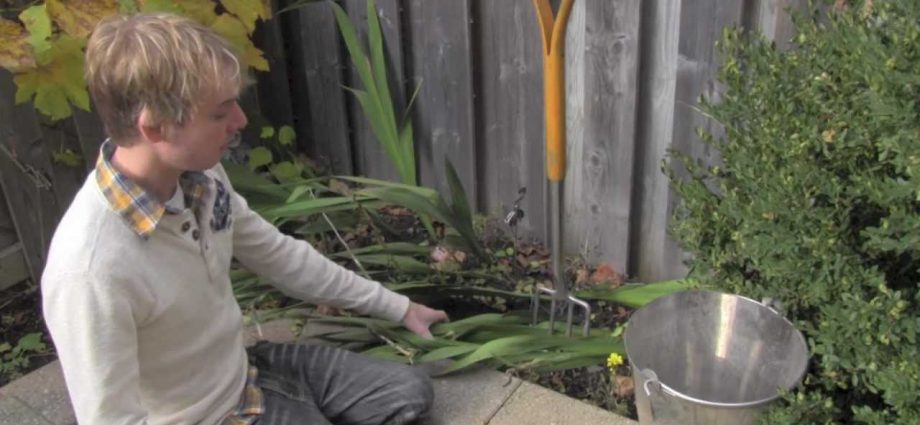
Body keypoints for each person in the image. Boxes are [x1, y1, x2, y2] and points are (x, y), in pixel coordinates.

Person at [40, 12, 448, 425]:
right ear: (156, 128)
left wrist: (397, 307)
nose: (240, 120)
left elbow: (279, 255)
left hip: (250, 372)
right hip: (206, 416)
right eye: (219, 114)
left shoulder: (200, 178)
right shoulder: (90, 271)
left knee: (409, 392)